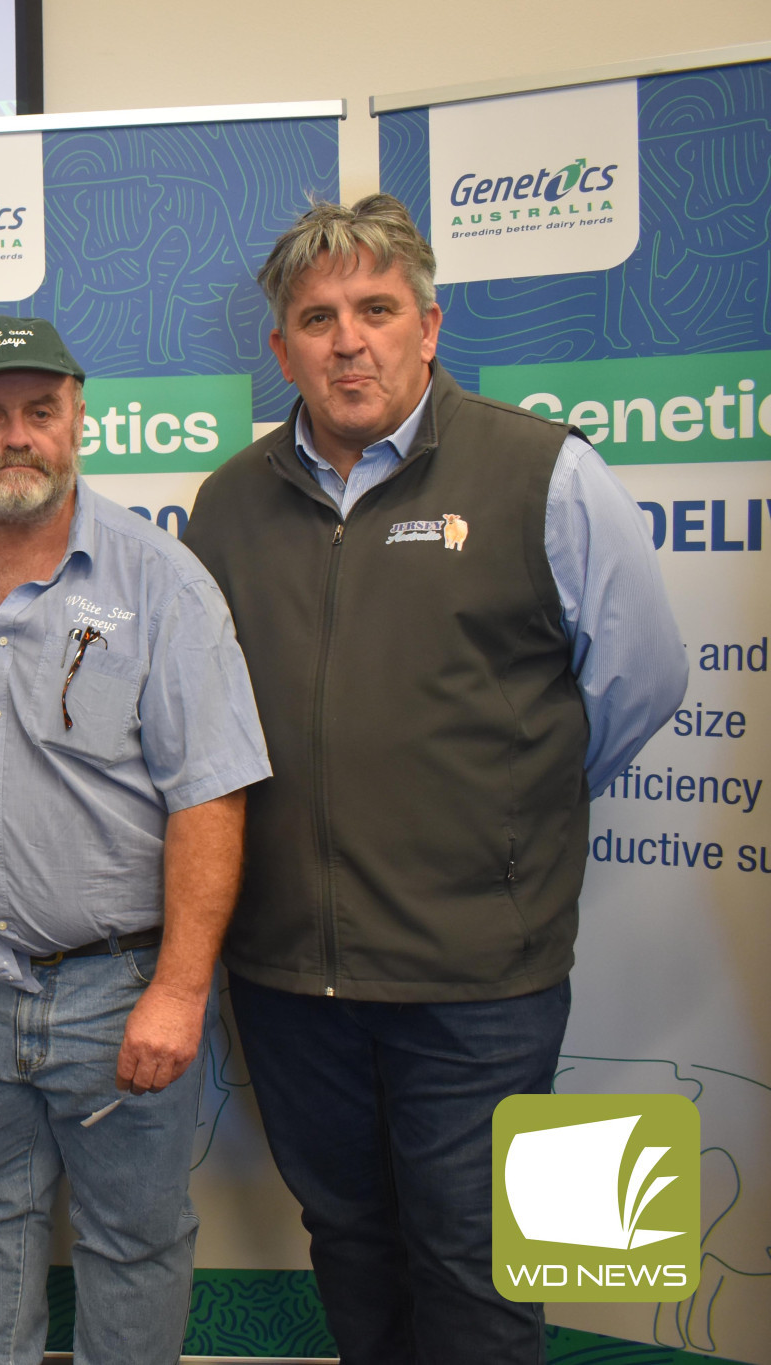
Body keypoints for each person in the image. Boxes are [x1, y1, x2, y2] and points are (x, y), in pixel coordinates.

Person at [181, 196, 688, 1364]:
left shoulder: (542, 472)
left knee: (477, 1264)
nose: (345, 340)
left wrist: (506, 818)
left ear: (427, 325)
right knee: (349, 1242)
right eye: (315, 319)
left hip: (479, 979)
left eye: (373, 310)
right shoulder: (227, 502)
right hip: (288, 974)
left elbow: (637, 686)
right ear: (281, 349)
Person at [0, 316, 271, 1365]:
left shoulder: (160, 583)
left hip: (120, 991)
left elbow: (211, 798)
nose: (16, 438)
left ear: (77, 420)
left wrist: (179, 989)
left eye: (39, 413)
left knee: (132, 1244)